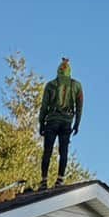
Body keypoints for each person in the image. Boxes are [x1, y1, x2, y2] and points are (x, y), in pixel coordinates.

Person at [38, 58, 84, 187]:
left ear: (58, 71)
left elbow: (44, 106)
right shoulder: (77, 85)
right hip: (67, 122)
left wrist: (41, 123)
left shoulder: (50, 85)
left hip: (51, 121)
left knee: (47, 150)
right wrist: (77, 123)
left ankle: (43, 180)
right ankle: (60, 180)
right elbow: (80, 106)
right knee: (63, 151)